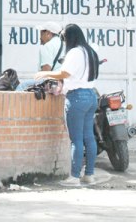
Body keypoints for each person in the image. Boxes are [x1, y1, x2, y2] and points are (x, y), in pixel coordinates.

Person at [35, 23, 100, 187]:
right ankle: (89, 175)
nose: (63, 42)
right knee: (89, 138)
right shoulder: (90, 50)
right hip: (91, 96)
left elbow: (64, 73)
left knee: (76, 140)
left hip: (77, 97)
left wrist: (45, 73)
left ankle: (74, 177)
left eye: (64, 39)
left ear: (69, 37)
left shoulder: (75, 52)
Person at [15, 21, 64, 91]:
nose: (40, 37)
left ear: (48, 33)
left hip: (53, 82)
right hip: (63, 81)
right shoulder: (63, 44)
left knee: (22, 86)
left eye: (41, 33)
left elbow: (46, 71)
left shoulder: (48, 46)